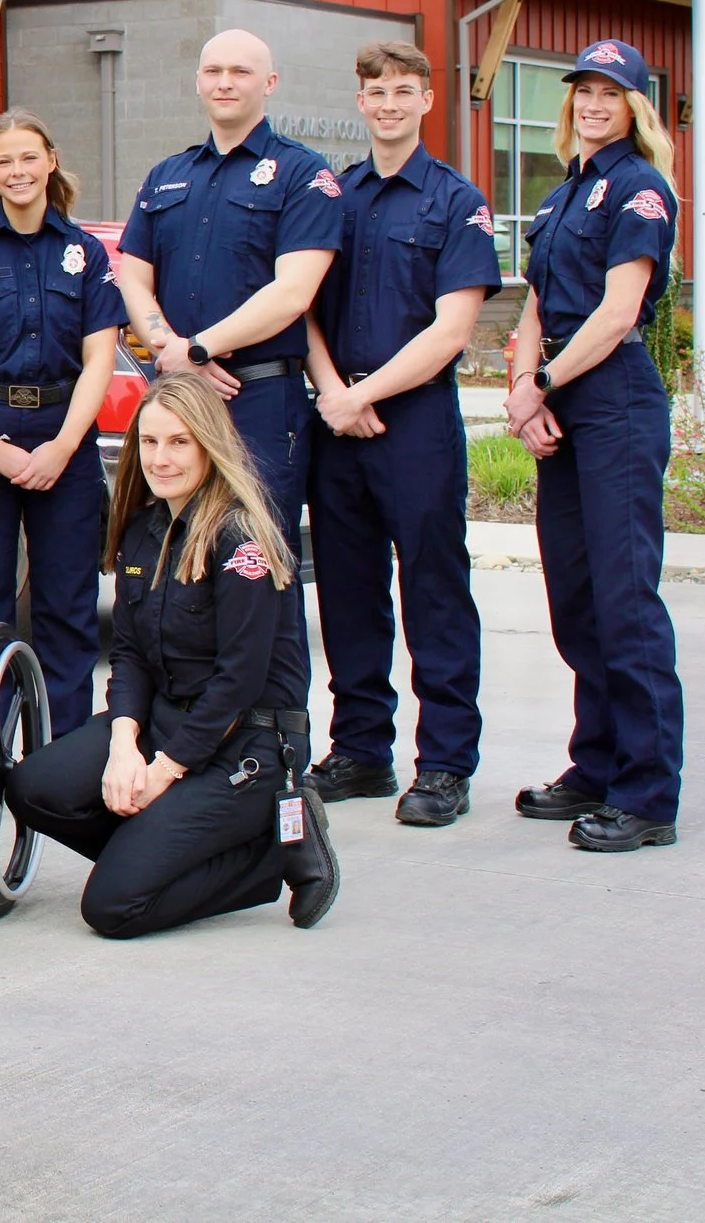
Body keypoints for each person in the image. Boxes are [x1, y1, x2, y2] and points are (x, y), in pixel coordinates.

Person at [3, 376, 341, 938]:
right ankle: (157, 851)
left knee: (113, 908)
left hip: (245, 743)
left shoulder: (242, 539)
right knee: (34, 788)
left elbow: (238, 683)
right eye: (150, 441)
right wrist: (123, 745)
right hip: (167, 719)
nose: (160, 459)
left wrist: (164, 771)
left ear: (210, 445)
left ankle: (268, 854)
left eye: (180, 442)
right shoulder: (145, 528)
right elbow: (130, 653)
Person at [301, 41, 499, 828]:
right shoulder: (333, 196)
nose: (389, 103)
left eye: (403, 91)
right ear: (361, 102)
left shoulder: (455, 200)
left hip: (413, 419)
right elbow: (302, 303)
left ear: (426, 101)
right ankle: (361, 750)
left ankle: (445, 763)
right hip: (337, 414)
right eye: (376, 91)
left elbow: (452, 330)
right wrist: (333, 391)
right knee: (348, 590)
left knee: (434, 590)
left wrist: (363, 395)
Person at [504, 39, 683, 852]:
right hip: (562, 396)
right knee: (575, 596)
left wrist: (544, 381)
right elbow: (537, 302)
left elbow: (617, 313)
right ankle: (598, 763)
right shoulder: (563, 195)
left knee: (624, 600)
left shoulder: (640, 188)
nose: (593, 104)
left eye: (611, 93)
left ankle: (646, 794)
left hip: (615, 400)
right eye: (584, 90)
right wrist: (525, 384)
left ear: (635, 105)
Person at [0, 109, 123, 739]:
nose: (18, 171)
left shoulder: (85, 254)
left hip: (66, 439)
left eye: (29, 157)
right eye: (4, 160)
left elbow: (99, 359)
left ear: (51, 161)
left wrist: (63, 446)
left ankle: (61, 753)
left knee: (67, 604)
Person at [115, 29, 339, 541]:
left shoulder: (302, 173)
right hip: (178, 399)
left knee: (256, 555)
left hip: (259, 399)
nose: (225, 83)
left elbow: (293, 293)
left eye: (241, 72)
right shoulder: (166, 175)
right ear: (198, 81)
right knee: (173, 551)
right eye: (214, 71)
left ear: (270, 83)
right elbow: (134, 276)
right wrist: (170, 348)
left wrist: (197, 349)